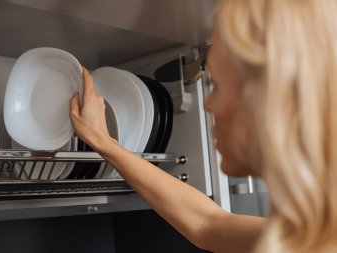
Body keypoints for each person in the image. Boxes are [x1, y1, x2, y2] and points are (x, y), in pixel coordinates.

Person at [70, 0, 337, 252]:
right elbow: (207, 224)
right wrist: (103, 142)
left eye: (217, 86)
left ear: (271, 98)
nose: (208, 105)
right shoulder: (306, 236)